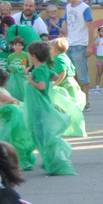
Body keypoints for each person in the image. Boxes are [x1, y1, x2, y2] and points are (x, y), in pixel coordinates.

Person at [25, 41, 76, 175]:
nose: (28, 56)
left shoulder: (39, 69)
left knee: (42, 135)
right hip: (43, 105)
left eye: (29, 54)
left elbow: (41, 86)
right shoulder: (44, 68)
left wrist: (30, 81)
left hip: (39, 107)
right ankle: (51, 160)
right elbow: (54, 76)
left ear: (34, 56)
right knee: (44, 134)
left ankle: (53, 161)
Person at [62, 0, 93, 110]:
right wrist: (63, 34)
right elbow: (65, 21)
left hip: (80, 44)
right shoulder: (68, 7)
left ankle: (86, 103)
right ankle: (77, 100)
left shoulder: (85, 8)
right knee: (72, 75)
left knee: (82, 76)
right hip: (69, 44)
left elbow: (91, 28)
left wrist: (90, 46)